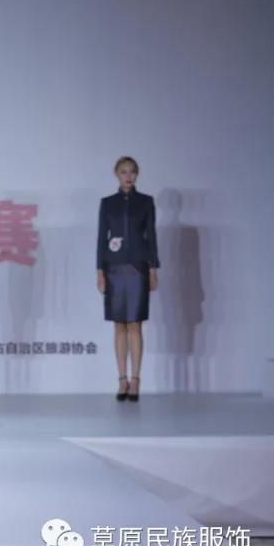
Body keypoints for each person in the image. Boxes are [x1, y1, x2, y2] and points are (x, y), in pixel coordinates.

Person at [97, 156, 159, 402]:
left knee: (135, 324)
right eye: (123, 172)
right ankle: (121, 378)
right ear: (116, 174)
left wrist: (153, 269)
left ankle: (136, 380)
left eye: (132, 172)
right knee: (118, 324)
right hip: (113, 268)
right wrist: (100, 271)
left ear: (137, 174)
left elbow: (151, 236)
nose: (128, 176)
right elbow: (101, 239)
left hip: (137, 267)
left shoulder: (145, 202)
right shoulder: (107, 203)